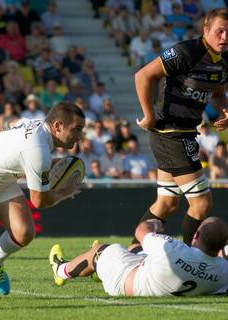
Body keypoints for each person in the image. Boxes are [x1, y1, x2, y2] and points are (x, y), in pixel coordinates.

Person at [0, 101, 85, 301]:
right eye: (77, 129)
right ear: (57, 126)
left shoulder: (38, 125)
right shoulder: (39, 152)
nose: (80, 135)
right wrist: (65, 192)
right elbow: (39, 201)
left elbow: (14, 123)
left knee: (24, 232)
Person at [133, 8, 228, 245]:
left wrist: (224, 108)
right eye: (220, 31)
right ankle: (190, 262)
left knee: (166, 205)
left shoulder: (223, 61)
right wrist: (148, 116)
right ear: (206, 30)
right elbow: (143, 76)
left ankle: (131, 253)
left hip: (185, 132)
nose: (225, 37)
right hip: (170, 132)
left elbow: (216, 92)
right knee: (202, 202)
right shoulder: (187, 51)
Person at [49, 217, 228, 296]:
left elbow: (141, 230)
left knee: (99, 250)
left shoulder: (174, 249)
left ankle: (61, 270)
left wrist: (155, 224)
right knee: (134, 248)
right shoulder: (223, 272)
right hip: (149, 274)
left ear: (196, 236)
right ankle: (99, 271)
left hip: (125, 282)